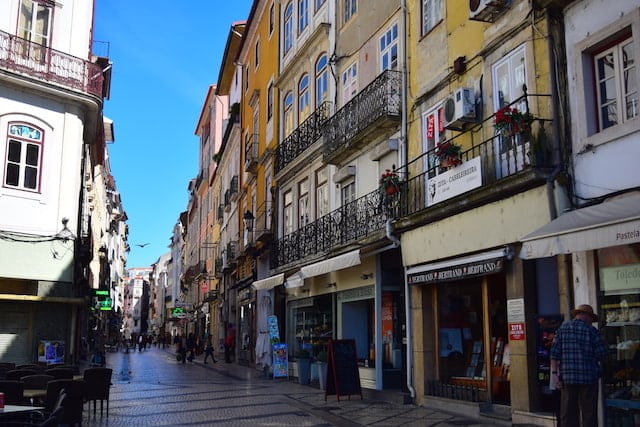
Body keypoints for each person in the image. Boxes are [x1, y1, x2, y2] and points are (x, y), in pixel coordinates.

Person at [550, 304, 608, 427]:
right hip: (589, 379)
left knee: (568, 414)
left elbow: (554, 354)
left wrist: (555, 375)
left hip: (567, 378)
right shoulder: (592, 331)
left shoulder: (562, 329)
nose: (592, 322)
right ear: (586, 316)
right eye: (592, 319)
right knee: (589, 414)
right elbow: (602, 354)